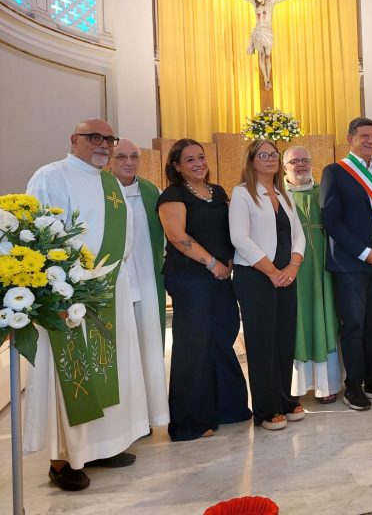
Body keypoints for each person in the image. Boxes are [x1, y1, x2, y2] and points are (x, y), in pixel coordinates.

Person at [25, 119, 149, 491]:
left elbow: (122, 238)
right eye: (94, 137)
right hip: (69, 294)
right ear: (74, 139)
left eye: (107, 139)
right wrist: (57, 290)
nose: (103, 145)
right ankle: (63, 460)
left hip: (111, 289)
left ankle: (102, 446)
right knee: (71, 376)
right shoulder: (51, 176)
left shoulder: (111, 182)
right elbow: (39, 235)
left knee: (112, 370)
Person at [157, 139, 251, 441]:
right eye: (190, 160)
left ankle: (228, 407)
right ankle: (190, 420)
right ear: (176, 166)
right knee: (194, 345)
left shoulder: (218, 192)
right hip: (190, 278)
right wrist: (212, 263)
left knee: (222, 337)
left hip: (221, 277)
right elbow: (176, 235)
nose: (198, 163)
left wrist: (231, 261)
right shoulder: (172, 195)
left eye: (201, 157)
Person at [320, 117, 372, 411]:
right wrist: (364, 251)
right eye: (364, 136)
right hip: (351, 264)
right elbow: (331, 220)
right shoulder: (335, 172)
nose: (370, 141)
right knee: (353, 325)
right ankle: (353, 385)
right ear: (350, 138)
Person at [230, 140, 306, 430]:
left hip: (286, 275)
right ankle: (265, 408)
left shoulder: (284, 194)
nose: (271, 159)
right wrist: (272, 271)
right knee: (262, 343)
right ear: (251, 160)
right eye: (264, 155)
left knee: (284, 340)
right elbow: (239, 238)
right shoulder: (242, 194)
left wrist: (293, 266)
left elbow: (297, 234)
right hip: (256, 277)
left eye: (274, 155)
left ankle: (285, 399)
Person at [109, 139, 170, 428]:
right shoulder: (100, 189)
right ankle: (121, 420)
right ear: (110, 159)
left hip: (146, 280)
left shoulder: (152, 192)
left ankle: (148, 415)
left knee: (147, 345)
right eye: (122, 156)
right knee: (120, 349)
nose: (129, 162)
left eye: (134, 157)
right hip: (114, 283)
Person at [283, 146, 341, 404]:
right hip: (291, 270)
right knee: (295, 323)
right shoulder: (278, 196)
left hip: (323, 270)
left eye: (306, 160)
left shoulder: (324, 193)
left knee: (325, 319)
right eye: (295, 161)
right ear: (285, 167)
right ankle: (295, 388)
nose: (301, 165)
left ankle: (325, 384)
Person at [212, 0, 309, 90]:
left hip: (268, 33)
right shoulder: (254, 2)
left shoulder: (272, 2)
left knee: (268, 57)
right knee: (261, 55)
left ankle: (268, 78)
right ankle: (266, 79)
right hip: (258, 32)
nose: (258, 0)